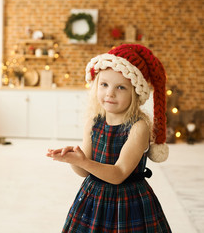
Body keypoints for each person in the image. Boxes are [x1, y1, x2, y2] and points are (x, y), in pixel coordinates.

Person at [47, 44, 171, 232]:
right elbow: (84, 171)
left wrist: (85, 163)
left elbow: (119, 174)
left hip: (128, 202)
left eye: (120, 87)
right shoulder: (93, 123)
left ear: (135, 93)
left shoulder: (138, 127)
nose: (110, 93)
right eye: (104, 84)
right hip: (93, 198)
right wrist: (73, 159)